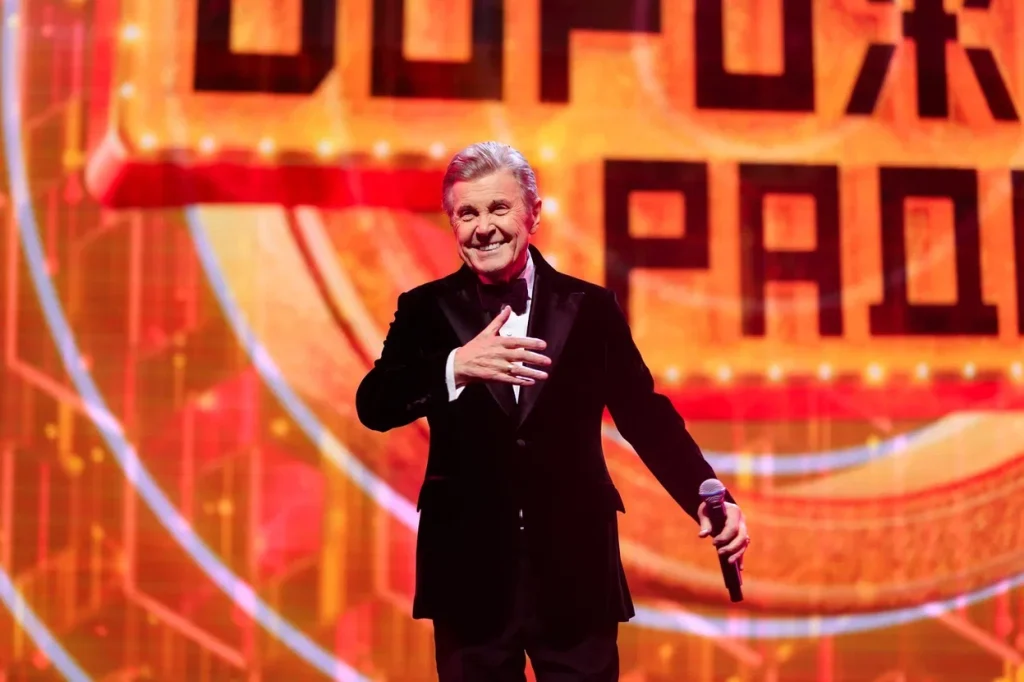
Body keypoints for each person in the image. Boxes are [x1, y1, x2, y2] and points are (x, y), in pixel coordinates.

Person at [355, 142, 750, 682]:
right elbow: (374, 404)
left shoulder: (590, 308)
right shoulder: (425, 309)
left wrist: (704, 493)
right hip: (468, 577)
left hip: (576, 573)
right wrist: (454, 368)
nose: (484, 228)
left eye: (499, 209)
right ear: (452, 223)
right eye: (467, 214)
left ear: (533, 214)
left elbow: (644, 414)